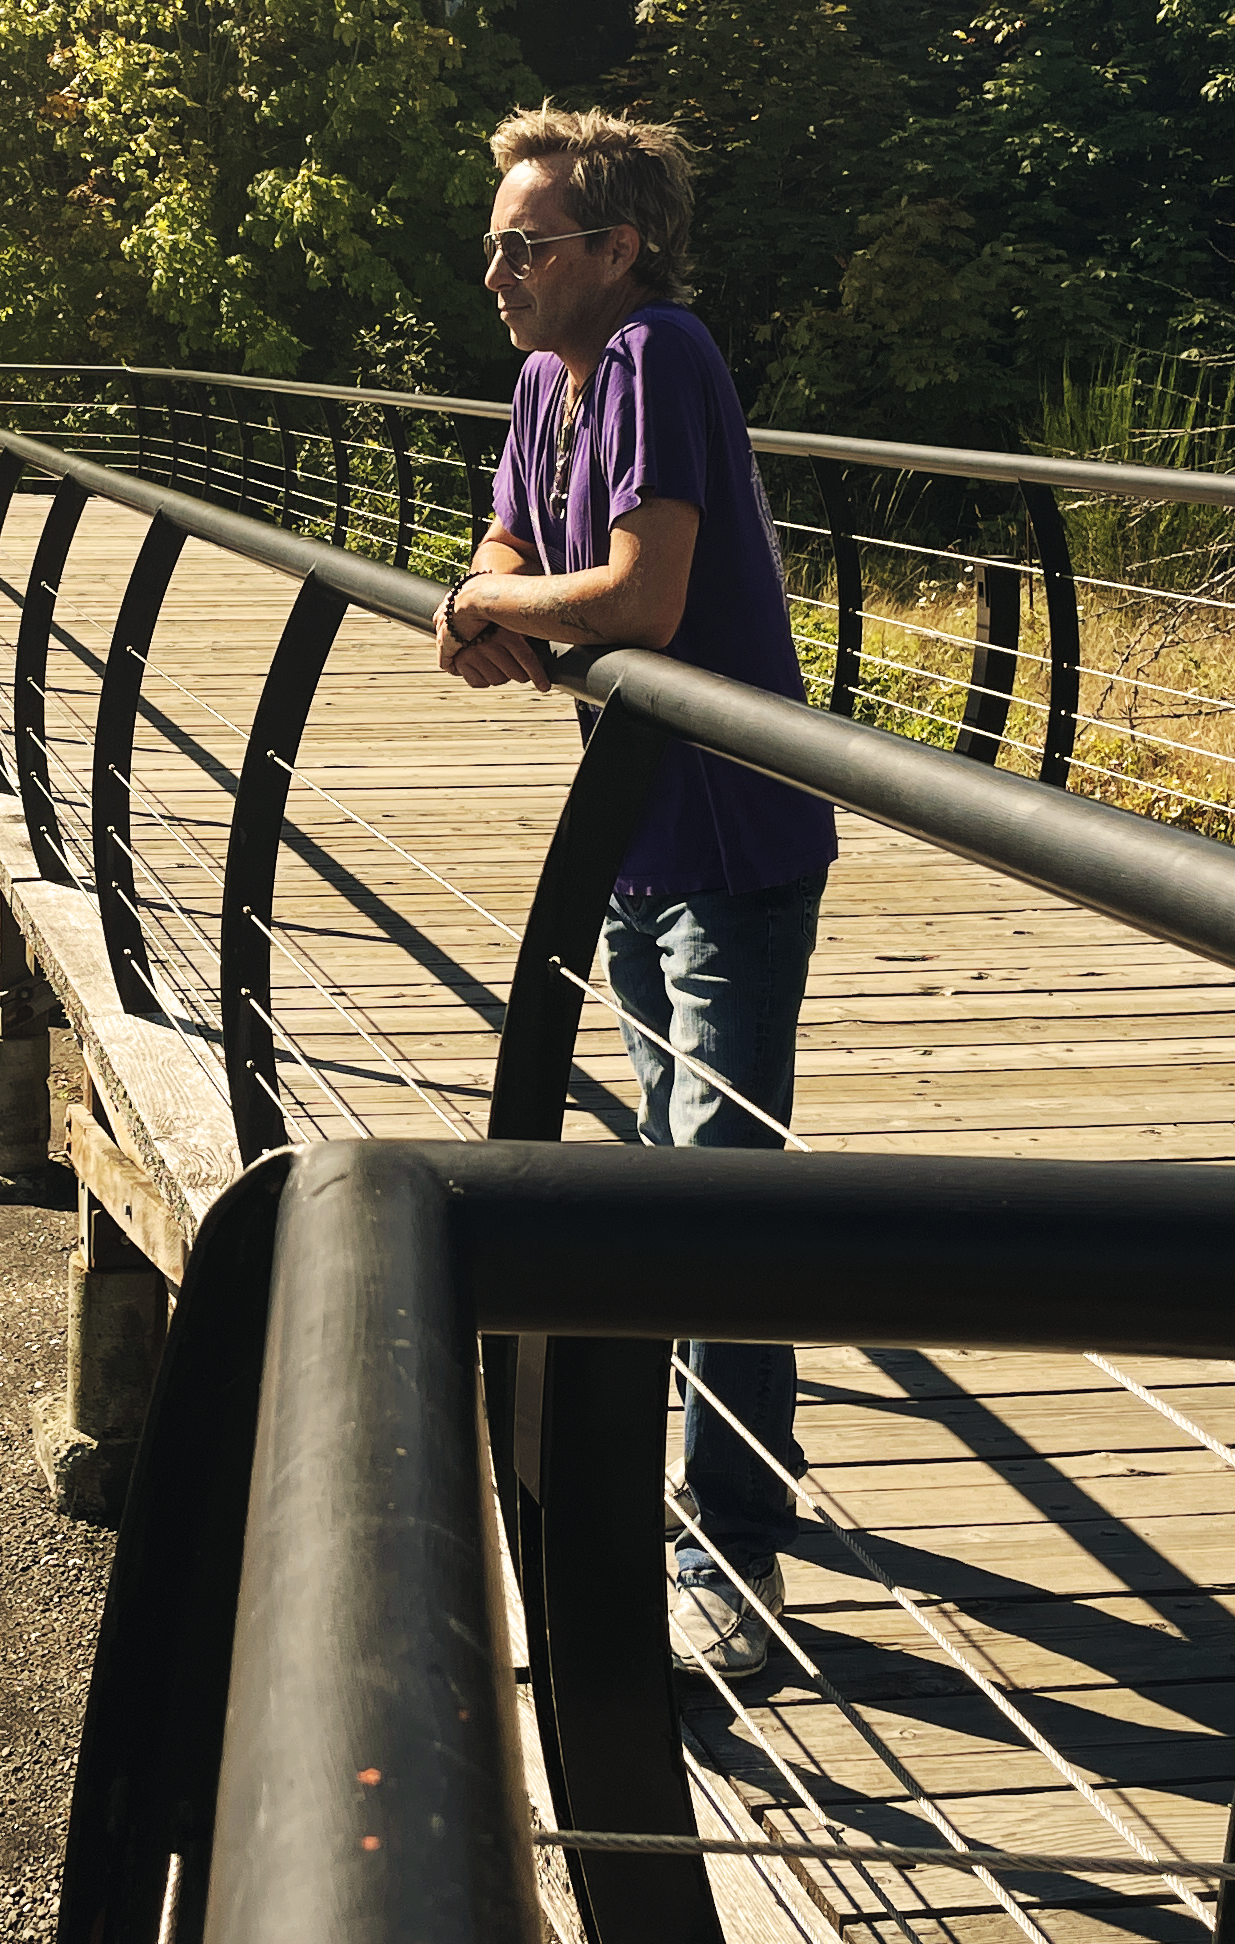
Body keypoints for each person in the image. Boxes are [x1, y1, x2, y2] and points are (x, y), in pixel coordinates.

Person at [431, 104, 837, 1680]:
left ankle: (730, 1556)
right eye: (491, 246)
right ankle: (720, 1479)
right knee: (677, 1175)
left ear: (617, 247)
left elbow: (640, 598)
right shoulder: (547, 379)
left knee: (713, 1203)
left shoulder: (661, 352)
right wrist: (488, 601)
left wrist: (501, 610)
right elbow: (510, 546)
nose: (496, 274)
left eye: (523, 247)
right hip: (631, 837)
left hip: (729, 840)